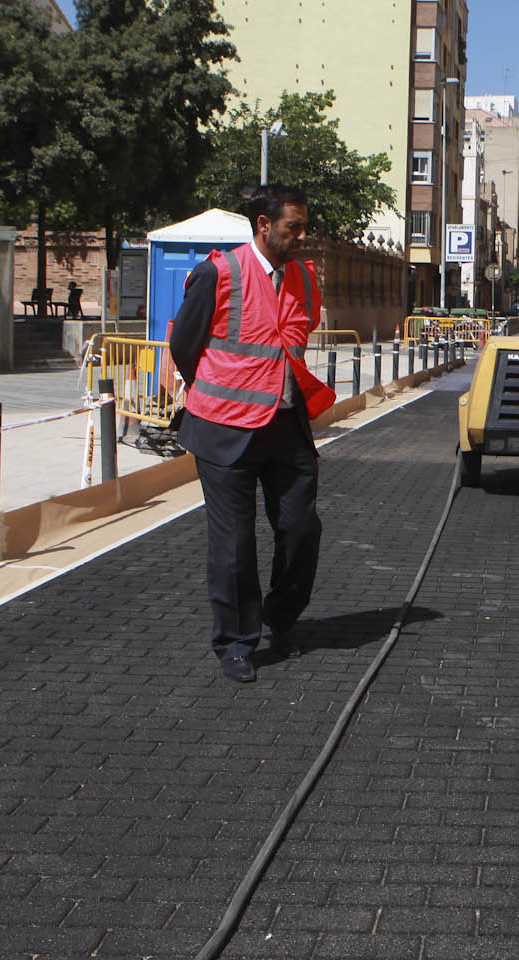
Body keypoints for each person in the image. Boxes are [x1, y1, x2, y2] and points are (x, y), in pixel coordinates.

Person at [169, 185, 337, 685]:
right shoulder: (218, 273)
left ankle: (280, 616)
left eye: (304, 226)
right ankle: (236, 642)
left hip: (285, 424)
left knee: (301, 528)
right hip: (223, 428)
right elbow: (185, 345)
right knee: (234, 542)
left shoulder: (304, 279)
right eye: (293, 228)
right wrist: (218, 391)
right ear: (264, 226)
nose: (302, 236)